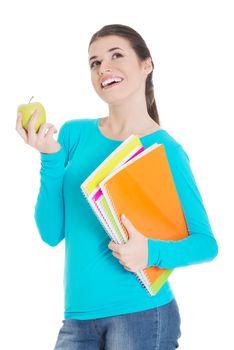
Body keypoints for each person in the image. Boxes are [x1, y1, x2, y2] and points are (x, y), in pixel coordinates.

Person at [15, 24, 218, 350]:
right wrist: (49, 158)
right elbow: (51, 233)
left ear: (146, 64)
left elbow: (206, 244)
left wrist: (150, 252)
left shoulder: (165, 150)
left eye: (116, 56)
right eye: (94, 62)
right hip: (76, 318)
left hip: (141, 315)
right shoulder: (72, 135)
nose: (102, 68)